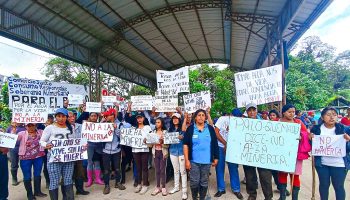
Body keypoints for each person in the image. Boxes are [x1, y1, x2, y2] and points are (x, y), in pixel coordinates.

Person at [310, 107, 350, 200]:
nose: (332, 117)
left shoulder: (345, 129)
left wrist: (348, 140)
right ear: (322, 117)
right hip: (322, 163)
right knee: (324, 185)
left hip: (340, 164)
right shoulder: (316, 129)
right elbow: (312, 146)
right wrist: (310, 139)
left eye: (334, 115)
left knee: (339, 186)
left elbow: (348, 148)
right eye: (328, 115)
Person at [40, 108, 76, 200]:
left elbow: (74, 142)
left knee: (68, 180)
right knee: (54, 181)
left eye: (63, 116)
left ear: (66, 117)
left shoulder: (71, 127)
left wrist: (81, 147)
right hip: (53, 158)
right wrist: (46, 145)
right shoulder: (49, 128)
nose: (61, 118)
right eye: (58, 116)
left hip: (68, 158)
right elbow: (41, 141)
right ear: (55, 117)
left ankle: (68, 198)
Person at [183, 109, 219, 200]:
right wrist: (187, 161)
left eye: (203, 115)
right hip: (193, 161)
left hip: (207, 161)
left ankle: (202, 198)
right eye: (199, 115)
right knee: (194, 182)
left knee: (204, 181)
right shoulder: (190, 129)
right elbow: (185, 145)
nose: (201, 117)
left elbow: (215, 143)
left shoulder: (210, 129)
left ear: (205, 117)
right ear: (195, 117)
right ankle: (195, 198)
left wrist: (216, 157)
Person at [278, 104, 311, 200]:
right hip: (282, 153)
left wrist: (302, 136)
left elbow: (306, 134)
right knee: (282, 174)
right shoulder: (277, 122)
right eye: (289, 112)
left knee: (295, 175)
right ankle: (282, 197)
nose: (292, 114)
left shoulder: (298, 122)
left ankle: (294, 198)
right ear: (283, 112)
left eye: (293, 112)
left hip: (296, 154)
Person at [243, 103, 273, 200]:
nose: (252, 112)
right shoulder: (241, 124)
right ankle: (252, 195)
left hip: (262, 154)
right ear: (247, 112)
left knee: (265, 177)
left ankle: (268, 197)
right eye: (249, 110)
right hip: (248, 153)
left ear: (256, 111)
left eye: (254, 110)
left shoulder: (265, 123)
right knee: (249, 176)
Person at [214, 109, 244, 199]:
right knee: (219, 167)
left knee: (233, 168)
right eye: (234, 117)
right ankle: (221, 189)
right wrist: (225, 143)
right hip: (220, 146)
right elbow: (216, 132)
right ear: (230, 115)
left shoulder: (240, 122)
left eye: (238, 118)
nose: (236, 119)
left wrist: (231, 146)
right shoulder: (222, 119)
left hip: (232, 148)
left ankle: (236, 189)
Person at [17, 123, 47, 200]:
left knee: (37, 174)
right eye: (28, 125)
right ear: (25, 126)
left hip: (38, 156)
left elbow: (48, 135)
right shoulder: (21, 133)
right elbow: (14, 139)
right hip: (25, 158)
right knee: (27, 176)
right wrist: (14, 130)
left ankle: (37, 191)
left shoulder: (41, 132)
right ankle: (30, 194)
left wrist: (48, 124)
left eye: (32, 125)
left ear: (36, 125)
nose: (30, 127)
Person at [101, 108, 126, 194]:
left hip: (116, 150)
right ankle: (106, 185)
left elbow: (122, 136)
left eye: (109, 115)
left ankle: (117, 183)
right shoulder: (103, 124)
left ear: (113, 116)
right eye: (106, 115)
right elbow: (97, 133)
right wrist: (102, 121)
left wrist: (115, 129)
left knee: (117, 169)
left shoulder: (120, 124)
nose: (107, 117)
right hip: (105, 151)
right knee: (106, 170)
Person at [67, 111, 89, 196]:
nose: (72, 118)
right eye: (69, 117)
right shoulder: (63, 128)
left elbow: (88, 133)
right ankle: (69, 192)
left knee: (80, 172)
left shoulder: (80, 126)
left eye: (73, 116)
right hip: (68, 155)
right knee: (69, 173)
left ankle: (80, 189)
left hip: (79, 153)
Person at [168, 113, 188, 200]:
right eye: (173, 118)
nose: (175, 120)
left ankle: (184, 191)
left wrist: (182, 137)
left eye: (176, 118)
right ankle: (176, 187)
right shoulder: (170, 130)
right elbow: (167, 140)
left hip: (182, 152)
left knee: (183, 172)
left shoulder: (183, 129)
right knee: (176, 171)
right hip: (173, 152)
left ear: (180, 120)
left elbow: (185, 136)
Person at [148, 118, 169, 196]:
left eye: (158, 122)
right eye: (156, 122)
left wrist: (162, 142)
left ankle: (163, 187)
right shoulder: (153, 132)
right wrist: (146, 141)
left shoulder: (165, 132)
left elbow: (167, 145)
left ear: (162, 123)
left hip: (163, 153)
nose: (157, 124)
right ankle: (157, 187)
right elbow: (150, 145)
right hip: (155, 153)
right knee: (157, 170)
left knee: (162, 170)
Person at [133, 112, 152, 195]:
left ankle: (145, 185)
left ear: (143, 119)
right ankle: (139, 184)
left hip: (144, 150)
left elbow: (151, 137)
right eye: (138, 118)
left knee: (144, 168)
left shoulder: (147, 127)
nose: (139, 119)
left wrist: (147, 140)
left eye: (140, 118)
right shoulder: (133, 128)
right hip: (135, 150)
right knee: (138, 168)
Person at [85, 112, 104, 187]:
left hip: (98, 146)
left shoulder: (100, 125)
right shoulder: (86, 125)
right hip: (89, 146)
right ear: (89, 117)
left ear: (97, 117)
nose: (93, 117)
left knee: (97, 162)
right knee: (89, 163)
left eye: (95, 116)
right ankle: (89, 179)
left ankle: (97, 179)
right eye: (92, 116)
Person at [6, 121, 26, 186]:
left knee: (25, 164)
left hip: (23, 149)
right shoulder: (9, 128)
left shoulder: (25, 128)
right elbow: (7, 138)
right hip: (13, 149)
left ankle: (26, 177)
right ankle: (14, 178)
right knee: (14, 164)